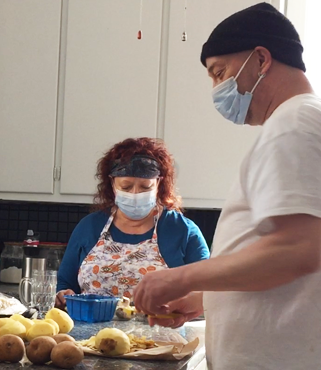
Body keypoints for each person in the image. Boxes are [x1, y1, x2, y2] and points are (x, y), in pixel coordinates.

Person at [133, 3, 321, 369]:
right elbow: (286, 270)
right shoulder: (301, 121)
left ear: (261, 60)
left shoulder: (293, 123)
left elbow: (299, 249)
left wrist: (181, 277)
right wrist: (204, 298)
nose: (217, 89)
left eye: (220, 73)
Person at [55, 137, 209, 309]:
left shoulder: (183, 231)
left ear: (159, 183)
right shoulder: (89, 227)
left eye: (145, 187)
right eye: (126, 187)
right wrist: (63, 295)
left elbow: (206, 289)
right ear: (112, 183)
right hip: (90, 334)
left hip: (159, 333)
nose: (135, 194)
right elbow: (65, 284)